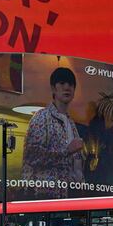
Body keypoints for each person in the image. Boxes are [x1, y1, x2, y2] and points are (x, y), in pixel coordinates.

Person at [19, 67, 85, 199]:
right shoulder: (41, 117)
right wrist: (67, 151)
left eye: (71, 84)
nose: (67, 87)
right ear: (53, 88)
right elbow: (32, 156)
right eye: (62, 83)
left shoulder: (71, 124)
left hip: (69, 196)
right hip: (44, 196)